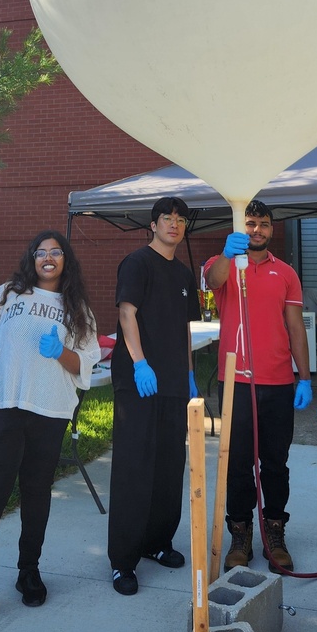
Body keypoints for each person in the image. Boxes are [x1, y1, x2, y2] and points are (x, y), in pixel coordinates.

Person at [0, 230, 100, 632]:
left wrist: (60, 352)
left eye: (56, 252)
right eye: (40, 252)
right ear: (31, 258)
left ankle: (28, 572)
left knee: (36, 495)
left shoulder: (77, 308)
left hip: (48, 413)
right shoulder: (6, 295)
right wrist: (0, 384)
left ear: (65, 261)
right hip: (2, 411)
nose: (48, 257)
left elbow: (84, 366)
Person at [205, 200, 312, 574]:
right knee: (237, 463)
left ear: (271, 228)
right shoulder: (224, 264)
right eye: (250, 223)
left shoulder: (286, 273)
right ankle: (240, 534)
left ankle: (275, 533)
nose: (256, 230)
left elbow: (295, 327)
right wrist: (226, 254)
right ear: (240, 226)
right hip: (236, 380)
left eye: (263, 224)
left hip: (278, 381)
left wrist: (305, 376)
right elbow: (212, 281)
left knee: (275, 463)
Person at [108, 196, 201, 596]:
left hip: (174, 382)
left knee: (168, 465)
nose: (174, 224)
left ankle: (157, 542)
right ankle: (122, 561)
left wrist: (189, 373)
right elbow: (126, 313)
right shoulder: (137, 263)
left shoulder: (183, 273)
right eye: (167, 218)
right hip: (139, 381)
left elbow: (185, 329)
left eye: (180, 219)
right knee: (135, 466)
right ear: (153, 225)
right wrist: (140, 363)